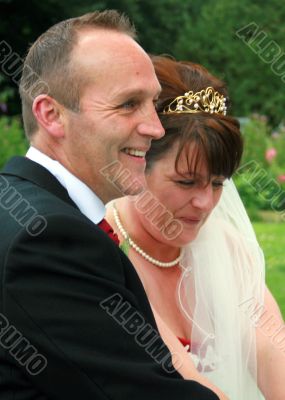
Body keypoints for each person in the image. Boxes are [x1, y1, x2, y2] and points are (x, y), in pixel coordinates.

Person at [0, 11, 222, 400]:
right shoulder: (48, 240)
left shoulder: (19, 203)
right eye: (127, 104)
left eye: (152, 102)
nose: (155, 127)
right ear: (51, 114)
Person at [106, 56, 285, 399]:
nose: (205, 203)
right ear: (137, 163)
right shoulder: (105, 251)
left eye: (217, 183)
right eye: (187, 182)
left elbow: (273, 357)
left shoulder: (227, 249)